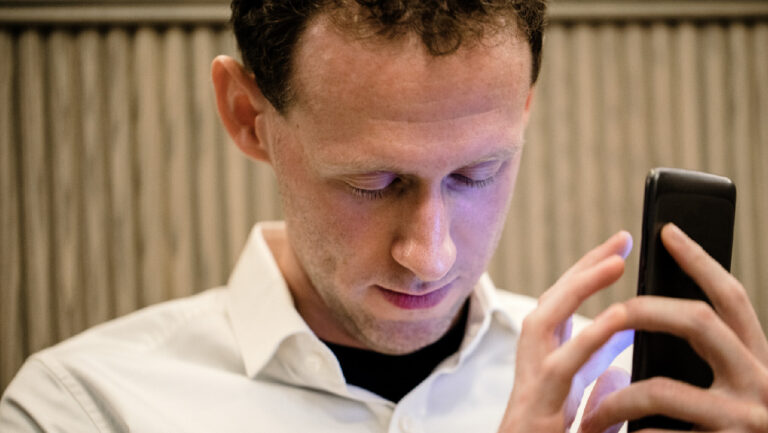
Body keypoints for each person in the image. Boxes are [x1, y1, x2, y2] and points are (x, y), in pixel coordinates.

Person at [2, 1, 767, 432]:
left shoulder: (639, 401)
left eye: (478, 172)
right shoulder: (80, 408)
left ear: (524, 109)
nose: (429, 255)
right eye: (372, 182)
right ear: (247, 114)